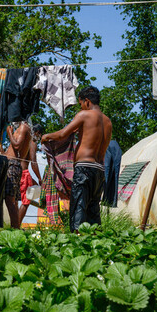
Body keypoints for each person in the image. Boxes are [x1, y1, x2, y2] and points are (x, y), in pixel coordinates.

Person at [41, 86, 112, 232]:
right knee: (93, 212)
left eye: (80, 104)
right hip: (99, 171)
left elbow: (62, 134)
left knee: (78, 210)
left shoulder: (84, 115)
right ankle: (96, 246)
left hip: (84, 169)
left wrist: (46, 136)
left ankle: (75, 243)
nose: (81, 107)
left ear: (86, 101)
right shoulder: (108, 122)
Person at [5, 120, 33, 228]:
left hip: (13, 165)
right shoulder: (23, 127)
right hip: (12, 164)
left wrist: (9, 133)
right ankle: (15, 228)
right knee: (13, 200)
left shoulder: (23, 127)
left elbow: (16, 146)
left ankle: (15, 229)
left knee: (9, 199)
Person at [18, 124, 43, 226]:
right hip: (24, 173)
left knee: (14, 201)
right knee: (26, 201)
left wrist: (34, 180)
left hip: (15, 171)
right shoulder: (31, 142)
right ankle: (16, 226)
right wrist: (40, 178)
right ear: (37, 133)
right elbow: (33, 162)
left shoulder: (21, 140)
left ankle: (14, 225)